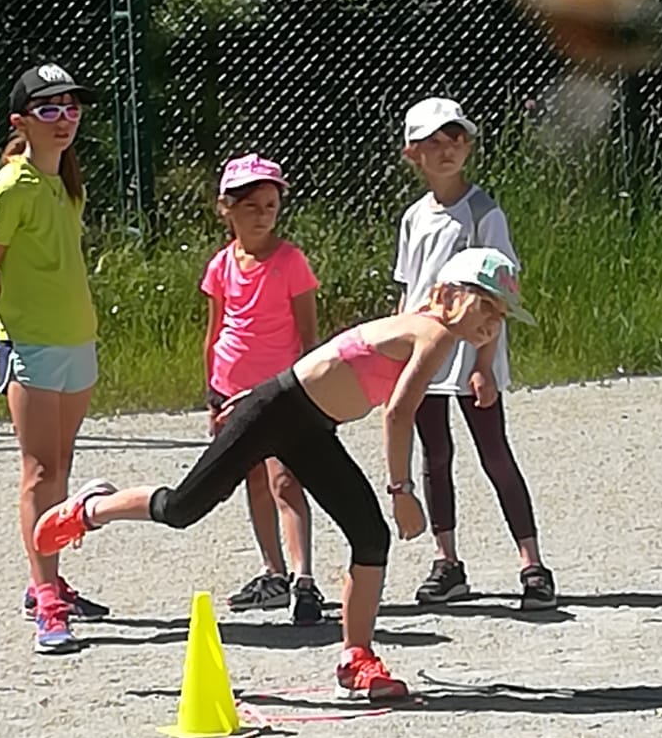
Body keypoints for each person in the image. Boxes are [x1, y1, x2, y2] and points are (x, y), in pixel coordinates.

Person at [34, 248, 526, 702]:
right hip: (277, 411)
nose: (492, 323)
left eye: (501, 315)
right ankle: (92, 508)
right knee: (183, 508)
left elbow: (332, 363)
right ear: (448, 295)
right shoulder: (434, 334)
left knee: (370, 535)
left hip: (306, 424)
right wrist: (401, 489)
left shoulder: (428, 329)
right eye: (486, 306)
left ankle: (356, 658)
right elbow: (398, 413)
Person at [0, 62, 108, 655]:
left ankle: (46, 577)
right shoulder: (13, 186)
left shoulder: (66, 183)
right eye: (48, 109)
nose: (64, 119)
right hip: (33, 347)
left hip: (78, 342)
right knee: (40, 473)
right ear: (20, 122)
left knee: (61, 466)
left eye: (71, 107)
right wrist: (22, 319)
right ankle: (47, 598)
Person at [394, 96, 556, 610]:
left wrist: (484, 364)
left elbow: (500, 293)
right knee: (435, 455)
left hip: (471, 354)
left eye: (456, 138)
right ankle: (447, 562)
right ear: (412, 153)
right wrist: (400, 355)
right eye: (433, 141)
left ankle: (532, 565)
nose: (447, 149)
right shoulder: (414, 218)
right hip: (425, 354)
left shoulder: (484, 213)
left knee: (494, 454)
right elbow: (409, 291)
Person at [202, 153, 323, 625]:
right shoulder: (221, 265)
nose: (262, 215)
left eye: (270, 205)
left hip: (282, 389)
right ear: (227, 209)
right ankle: (273, 572)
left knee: (284, 480)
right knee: (253, 477)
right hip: (233, 389)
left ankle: (303, 578)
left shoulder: (291, 262)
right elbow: (215, 332)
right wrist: (212, 396)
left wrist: (312, 394)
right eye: (250, 206)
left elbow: (309, 336)